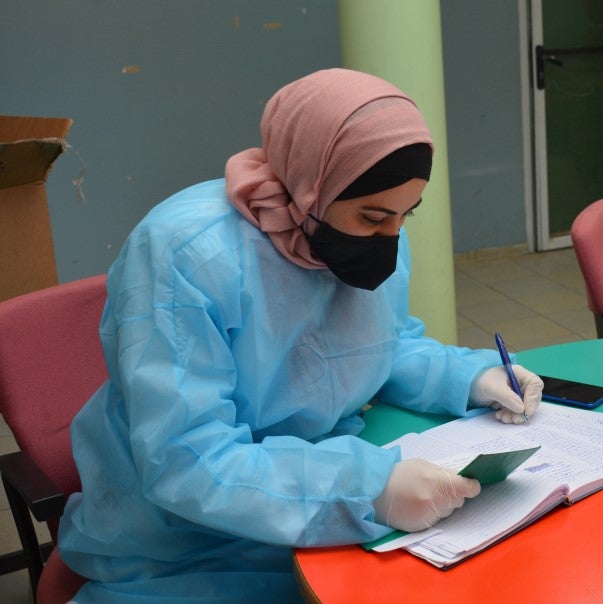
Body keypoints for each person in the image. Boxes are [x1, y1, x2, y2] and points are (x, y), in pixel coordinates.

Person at [58, 68, 544, 602]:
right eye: (374, 216)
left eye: (406, 216)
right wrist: (368, 489)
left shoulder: (365, 233)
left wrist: (471, 375)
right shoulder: (186, 256)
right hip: (186, 544)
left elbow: (386, 342)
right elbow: (189, 461)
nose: (392, 237)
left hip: (321, 496)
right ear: (314, 187)